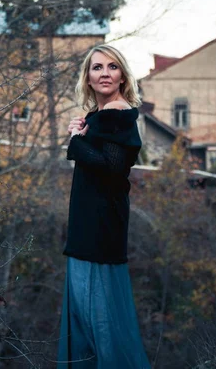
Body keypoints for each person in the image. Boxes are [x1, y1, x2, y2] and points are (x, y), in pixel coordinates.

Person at [57, 45, 151, 369]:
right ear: (88, 76)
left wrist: (76, 142)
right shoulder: (99, 116)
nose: (105, 73)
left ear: (123, 75)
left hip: (100, 227)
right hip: (87, 223)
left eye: (112, 67)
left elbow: (112, 168)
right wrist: (83, 134)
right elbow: (94, 167)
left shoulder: (118, 114)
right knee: (87, 316)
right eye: (97, 67)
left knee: (99, 319)